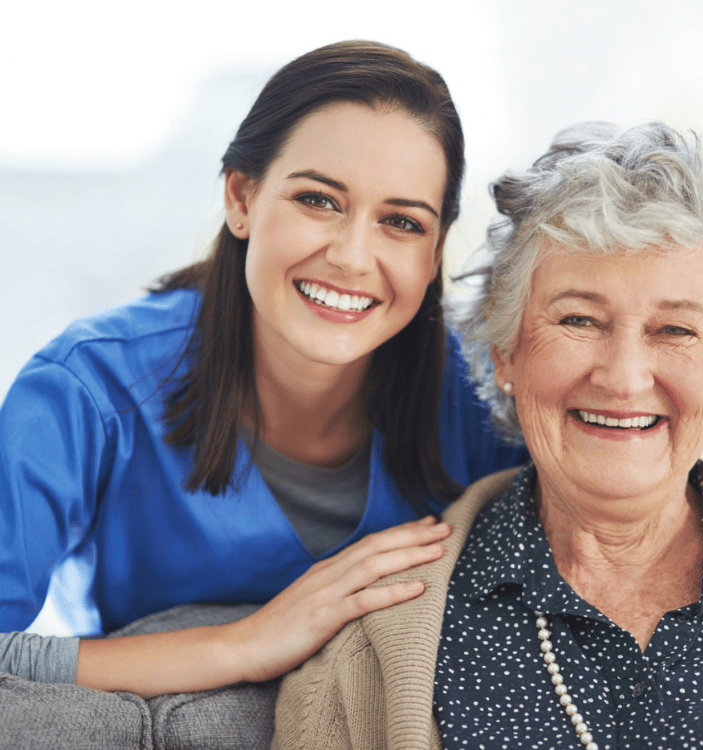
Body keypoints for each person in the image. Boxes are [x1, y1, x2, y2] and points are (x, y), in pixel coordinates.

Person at [272, 122, 703, 749]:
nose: (625, 379)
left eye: (676, 331)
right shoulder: (383, 635)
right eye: (579, 319)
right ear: (505, 353)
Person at [0, 40, 525, 697]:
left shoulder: (489, 401)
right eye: (318, 201)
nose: (352, 257)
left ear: (436, 249)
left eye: (400, 222)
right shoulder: (84, 390)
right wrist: (247, 643)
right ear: (241, 198)